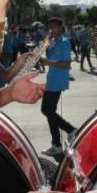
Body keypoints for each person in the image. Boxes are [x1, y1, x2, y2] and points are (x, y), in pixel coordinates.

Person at [40, 18, 77, 156]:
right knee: (49, 112)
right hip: (51, 79)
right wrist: (43, 49)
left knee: (47, 110)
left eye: (55, 27)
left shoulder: (64, 42)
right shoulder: (53, 41)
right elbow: (48, 57)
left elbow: (66, 64)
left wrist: (49, 62)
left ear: (61, 28)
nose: (52, 30)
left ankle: (70, 130)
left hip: (58, 80)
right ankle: (56, 144)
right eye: (50, 27)